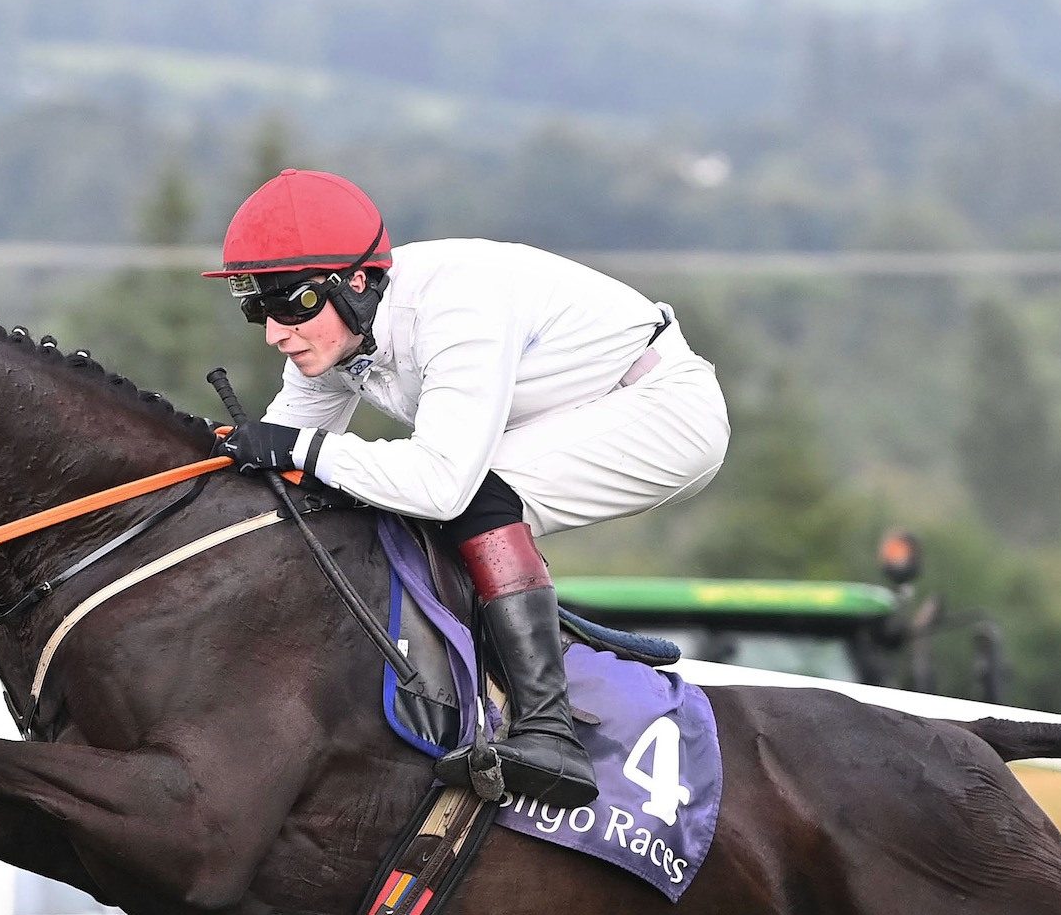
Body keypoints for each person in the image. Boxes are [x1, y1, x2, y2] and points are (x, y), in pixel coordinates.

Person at [206, 169, 731, 808]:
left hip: (664, 411)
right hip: (570, 412)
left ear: (357, 282)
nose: (274, 331)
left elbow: (438, 486)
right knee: (380, 493)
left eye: (294, 304)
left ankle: (550, 731)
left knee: (470, 498)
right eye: (257, 308)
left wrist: (301, 450)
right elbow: (279, 461)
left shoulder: (456, 305)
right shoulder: (334, 332)